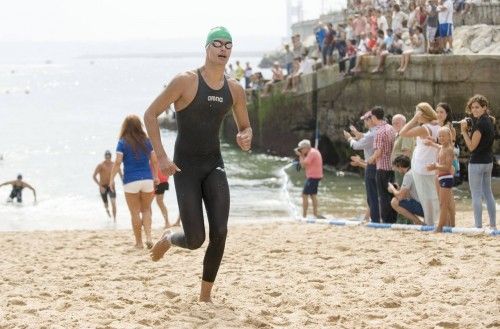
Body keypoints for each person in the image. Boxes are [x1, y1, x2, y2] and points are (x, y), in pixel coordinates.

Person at [143, 27, 252, 303]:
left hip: (214, 164)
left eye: (228, 44)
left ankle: (205, 297)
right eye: (217, 43)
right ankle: (170, 238)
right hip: (185, 168)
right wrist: (162, 156)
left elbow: (245, 127)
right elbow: (150, 115)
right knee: (195, 239)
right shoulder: (185, 81)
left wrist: (245, 136)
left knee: (220, 231)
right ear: (206, 48)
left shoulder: (235, 89)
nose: (223, 48)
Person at [110, 115, 159, 249]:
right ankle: (149, 237)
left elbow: (118, 161)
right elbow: (154, 160)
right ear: (139, 126)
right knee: (147, 210)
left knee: (135, 212)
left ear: (125, 126)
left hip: (130, 181)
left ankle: (139, 243)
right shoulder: (147, 141)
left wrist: (111, 179)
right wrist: (156, 177)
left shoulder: (122, 142)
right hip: (147, 179)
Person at [400, 102, 440, 226]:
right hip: (432, 164)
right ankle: (433, 220)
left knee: (425, 196)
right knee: (433, 194)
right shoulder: (438, 125)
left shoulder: (424, 128)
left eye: (417, 113)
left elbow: (402, 132)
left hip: (422, 165)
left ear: (422, 114)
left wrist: (414, 120)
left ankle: (429, 222)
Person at [460, 94, 496, 229]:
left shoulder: (480, 124)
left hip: (477, 163)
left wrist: (464, 131)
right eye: (472, 107)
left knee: (476, 195)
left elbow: (471, 147)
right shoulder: (489, 121)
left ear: (484, 107)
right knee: (488, 193)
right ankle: (493, 225)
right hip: (488, 162)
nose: (474, 110)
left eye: (477, 107)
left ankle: (478, 226)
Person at [343, 111, 380, 222]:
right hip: (376, 165)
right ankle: (369, 218)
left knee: (372, 195)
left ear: (370, 120)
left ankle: (374, 220)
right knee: (375, 195)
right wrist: (356, 133)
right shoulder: (377, 131)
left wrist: (349, 138)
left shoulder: (372, 133)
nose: (364, 121)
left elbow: (357, 145)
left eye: (365, 119)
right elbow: (365, 137)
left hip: (372, 166)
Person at [367, 106, 397, 223]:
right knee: (391, 194)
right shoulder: (390, 128)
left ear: (374, 117)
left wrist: (371, 159)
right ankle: (393, 219)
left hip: (382, 168)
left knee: (383, 196)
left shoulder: (379, 132)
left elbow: (378, 152)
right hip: (392, 167)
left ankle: (386, 220)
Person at [425, 127, 456, 232]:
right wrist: (430, 143)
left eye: (443, 136)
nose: (441, 138)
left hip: (446, 177)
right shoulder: (441, 147)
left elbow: (447, 167)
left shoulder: (449, 150)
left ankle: (440, 227)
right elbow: (437, 145)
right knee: (443, 203)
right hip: (440, 177)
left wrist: (435, 166)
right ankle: (451, 224)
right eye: (440, 136)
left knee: (444, 204)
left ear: (449, 137)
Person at [388, 155, 425, 225]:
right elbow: (407, 195)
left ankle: (418, 222)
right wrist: (399, 189)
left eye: (396, 167)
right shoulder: (414, 172)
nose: (397, 170)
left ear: (400, 166)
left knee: (394, 201)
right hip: (427, 206)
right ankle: (418, 221)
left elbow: (400, 197)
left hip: (422, 208)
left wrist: (392, 188)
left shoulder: (408, 175)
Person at [294, 139, 323, 219]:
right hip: (315, 176)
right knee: (313, 195)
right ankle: (315, 214)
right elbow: (304, 165)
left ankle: (304, 216)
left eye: (301, 149)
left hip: (313, 177)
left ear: (306, 148)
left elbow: (303, 165)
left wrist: (300, 155)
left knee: (304, 195)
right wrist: (302, 155)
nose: (301, 150)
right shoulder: (313, 152)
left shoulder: (312, 153)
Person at [93, 150, 121, 220]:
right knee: (106, 204)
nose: (108, 158)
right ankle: (107, 209)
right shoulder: (100, 165)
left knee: (113, 203)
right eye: (106, 157)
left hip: (111, 186)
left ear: (111, 157)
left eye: (109, 157)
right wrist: (100, 186)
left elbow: (121, 175)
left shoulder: (114, 165)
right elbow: (94, 176)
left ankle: (115, 220)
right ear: (105, 157)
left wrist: (125, 182)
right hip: (103, 186)